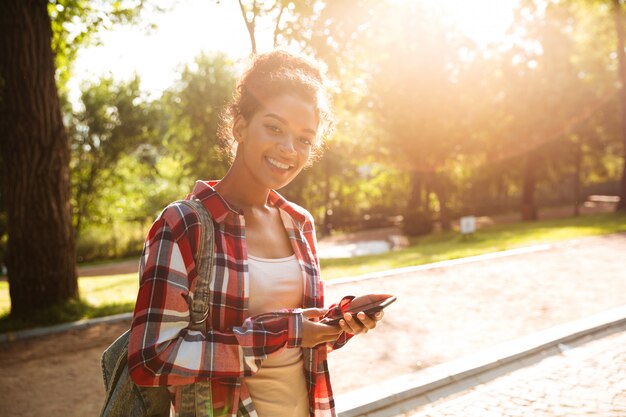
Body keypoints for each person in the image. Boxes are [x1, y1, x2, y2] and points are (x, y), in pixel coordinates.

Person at [127, 50, 384, 417]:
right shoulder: (183, 224)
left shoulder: (299, 223)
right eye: (275, 128)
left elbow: (299, 343)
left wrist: (338, 324)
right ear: (240, 126)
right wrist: (284, 330)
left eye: (304, 139)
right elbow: (152, 358)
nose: (288, 150)